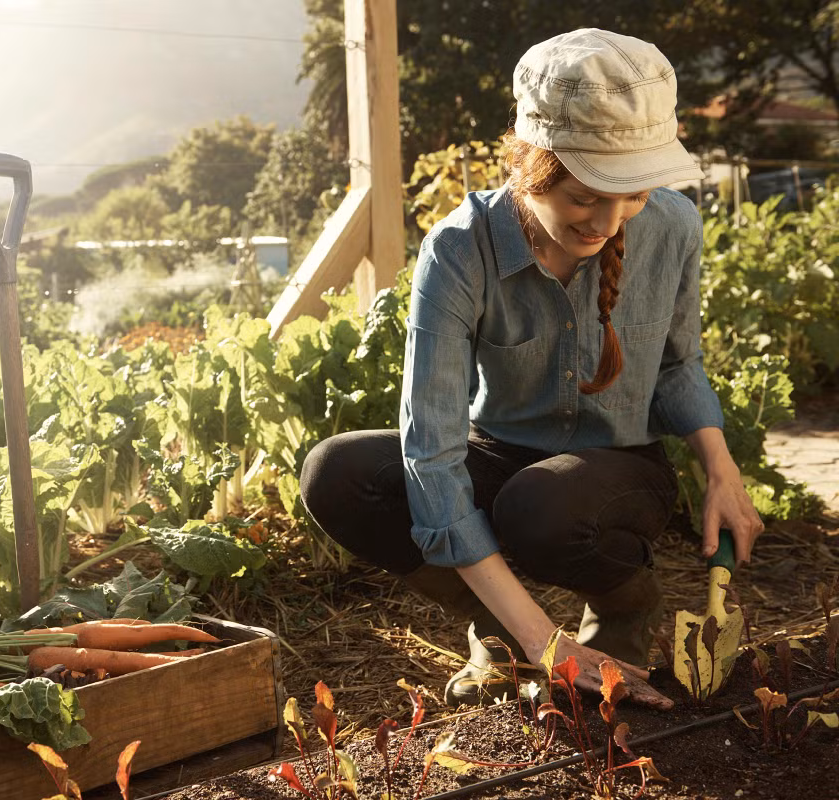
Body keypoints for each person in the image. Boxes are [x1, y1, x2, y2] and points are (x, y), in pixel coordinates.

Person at [299, 28, 764, 710]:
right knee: (338, 473)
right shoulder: (461, 249)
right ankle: (505, 633)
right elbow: (432, 451)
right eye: (584, 197)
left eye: (633, 195)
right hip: (499, 452)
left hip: (616, 471)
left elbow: (677, 366)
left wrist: (722, 471)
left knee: (542, 505)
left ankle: (624, 611)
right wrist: (544, 639)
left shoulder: (674, 228)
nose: (609, 222)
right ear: (531, 166)